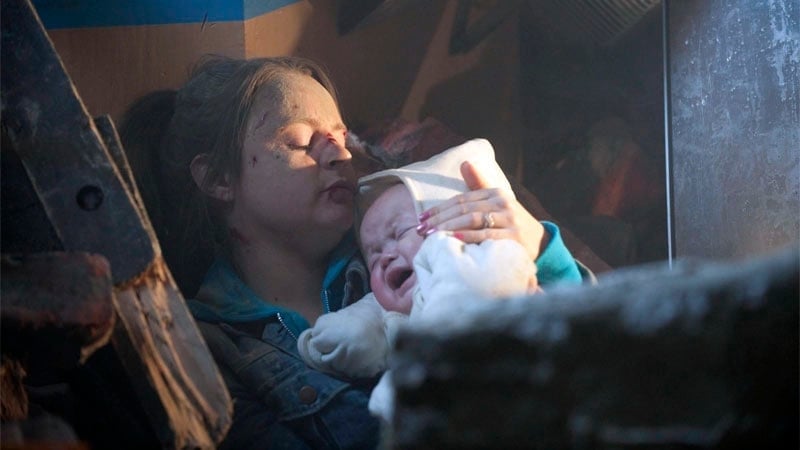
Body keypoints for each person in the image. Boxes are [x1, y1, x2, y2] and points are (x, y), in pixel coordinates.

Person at [120, 54, 587, 449]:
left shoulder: (406, 249)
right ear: (219, 179)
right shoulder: (208, 348)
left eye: (341, 138)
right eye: (302, 141)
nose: (340, 155)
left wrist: (538, 249)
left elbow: (589, 355)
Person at [297, 139, 558, 422]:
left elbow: (472, 301)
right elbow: (364, 336)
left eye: (400, 232)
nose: (385, 256)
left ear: (460, 222)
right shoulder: (396, 316)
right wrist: (341, 335)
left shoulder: (490, 270)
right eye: (372, 257)